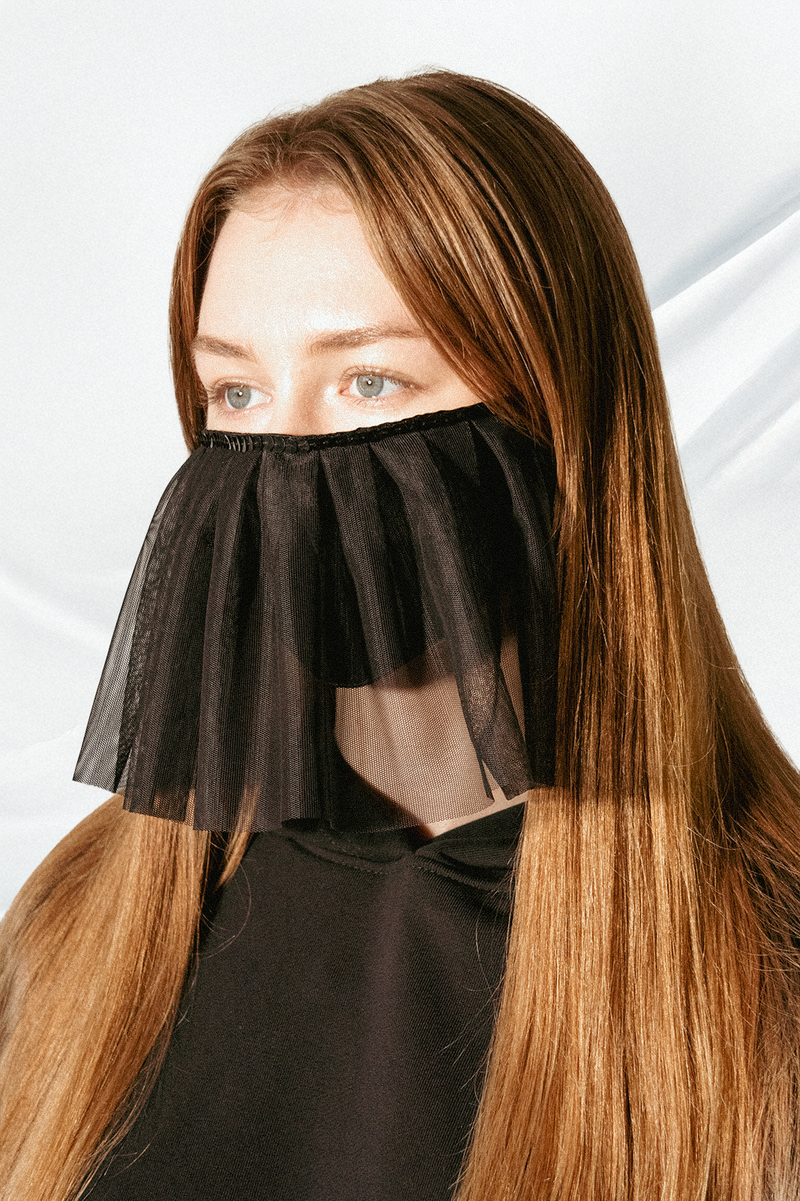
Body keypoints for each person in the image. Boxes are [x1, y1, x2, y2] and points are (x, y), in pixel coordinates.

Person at [2, 68, 800, 1201]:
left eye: (369, 382)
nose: (282, 465)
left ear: (552, 420)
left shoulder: (762, 970)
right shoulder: (78, 924)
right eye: (236, 395)